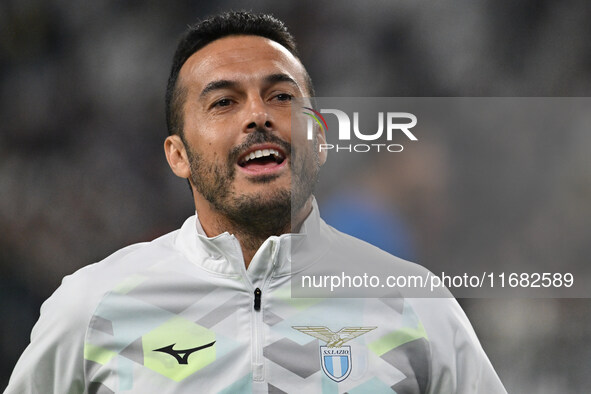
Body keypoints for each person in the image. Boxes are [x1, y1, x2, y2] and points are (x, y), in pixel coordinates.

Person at [5, 11, 506, 394]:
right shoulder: (92, 305)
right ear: (178, 155)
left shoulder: (415, 302)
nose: (258, 116)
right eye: (223, 101)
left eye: (282, 97)